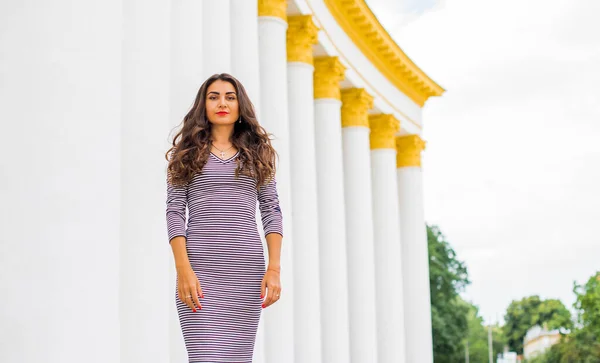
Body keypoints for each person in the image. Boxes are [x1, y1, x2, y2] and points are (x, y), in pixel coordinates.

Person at [165, 73, 283, 362]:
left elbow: (271, 209)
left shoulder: (258, 154)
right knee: (205, 356)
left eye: (230, 97)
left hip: (245, 272)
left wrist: (274, 269)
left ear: (240, 105)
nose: (222, 103)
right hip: (200, 271)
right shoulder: (186, 154)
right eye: (214, 96)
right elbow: (174, 211)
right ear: (203, 105)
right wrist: (183, 269)